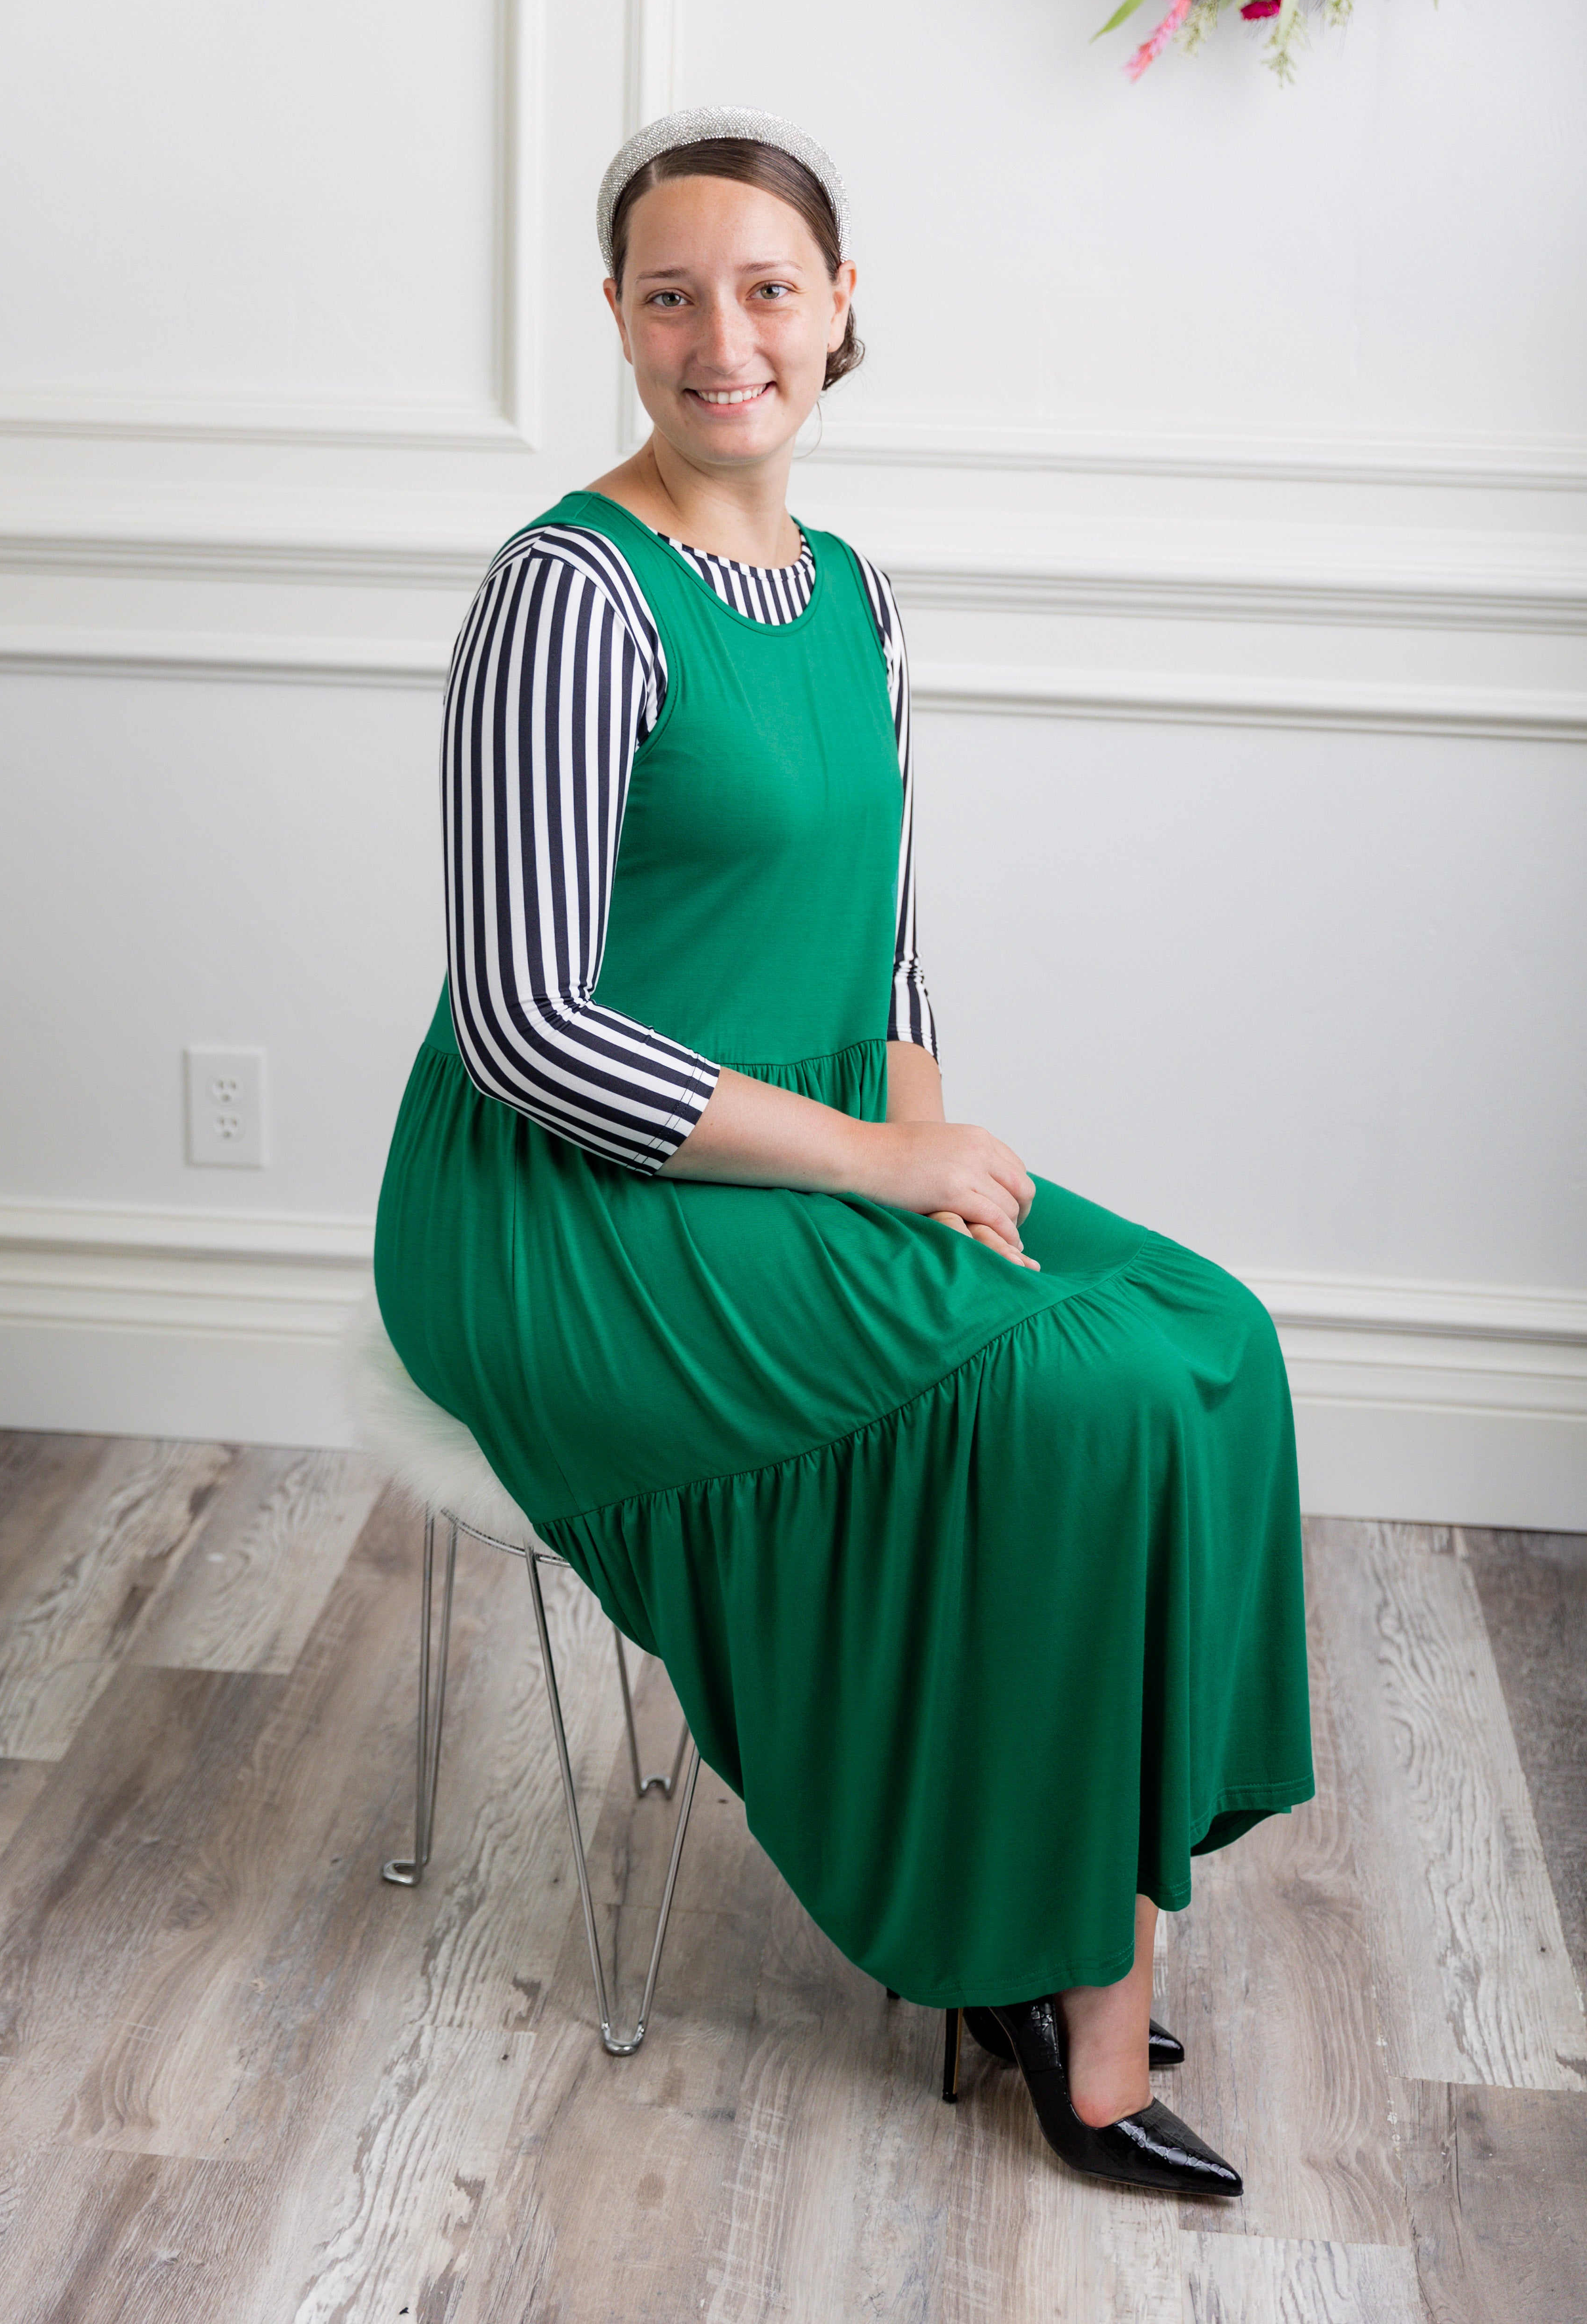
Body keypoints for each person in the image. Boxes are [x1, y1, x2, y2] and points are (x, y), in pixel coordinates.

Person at [374, 107, 1314, 2196]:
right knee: (1078, 1397)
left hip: (795, 1141)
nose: (726, 336)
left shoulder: (852, 594)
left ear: (840, 307)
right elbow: (530, 1029)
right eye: (672, 293)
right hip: (570, 1201)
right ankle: (1071, 1998)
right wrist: (881, 1188)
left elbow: (882, 942)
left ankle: (1050, 1890)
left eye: (768, 287)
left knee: (1206, 1340)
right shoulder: (564, 597)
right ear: (617, 322)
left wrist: (923, 1165)